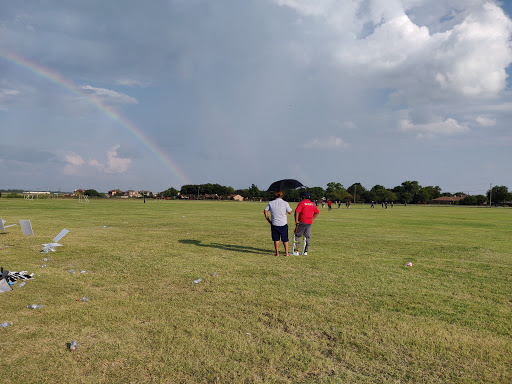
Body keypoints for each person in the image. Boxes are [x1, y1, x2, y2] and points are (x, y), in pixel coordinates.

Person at [263, 191, 292, 256]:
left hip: (274, 224)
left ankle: (277, 253)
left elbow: (265, 211)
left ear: (275, 196)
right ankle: (287, 253)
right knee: (285, 239)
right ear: (282, 196)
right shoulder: (285, 203)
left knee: (276, 239)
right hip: (283, 224)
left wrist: (268, 220)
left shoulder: (271, 203)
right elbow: (290, 212)